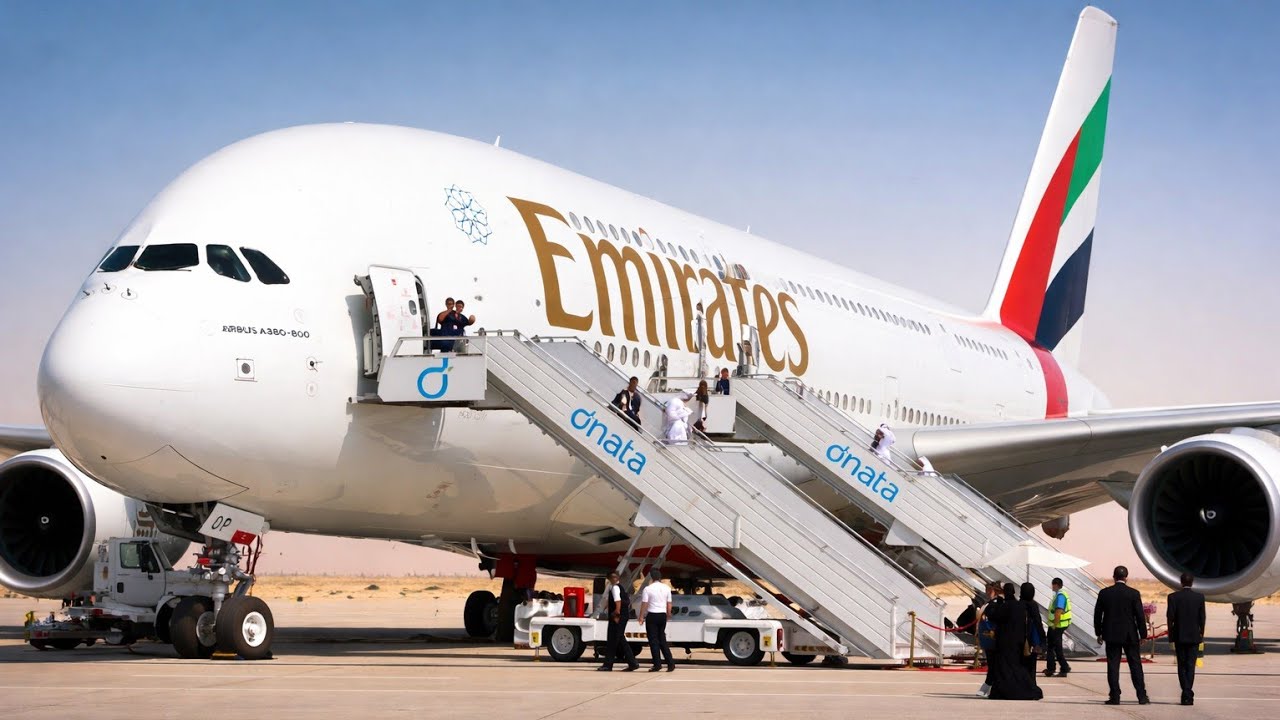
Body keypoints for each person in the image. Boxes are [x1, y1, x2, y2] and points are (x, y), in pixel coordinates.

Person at [1094, 565, 1149, 705]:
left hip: (1111, 635)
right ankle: (1141, 696)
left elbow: (1097, 615)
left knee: (1113, 666)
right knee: (1135, 665)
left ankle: (1115, 696)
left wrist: (1098, 632)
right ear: (1126, 578)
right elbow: (1140, 616)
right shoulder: (1134, 593)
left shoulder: (1104, 593)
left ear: (1114, 577)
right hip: (1129, 635)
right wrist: (1143, 634)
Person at [985, 582, 1043, 700]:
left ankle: (1005, 691)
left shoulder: (1008, 606)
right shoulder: (1026, 606)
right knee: (1022, 669)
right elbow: (1037, 625)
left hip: (1005, 643)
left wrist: (992, 601)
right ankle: (1028, 688)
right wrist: (1041, 642)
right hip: (1022, 643)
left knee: (1005, 669)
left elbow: (992, 615)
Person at [1167, 572, 1206, 706]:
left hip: (1179, 636)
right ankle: (1188, 694)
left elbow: (1170, 618)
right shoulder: (1199, 597)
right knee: (1191, 666)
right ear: (1192, 582)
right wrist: (1201, 634)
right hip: (1194, 637)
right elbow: (1202, 619)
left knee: (1181, 665)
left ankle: (1186, 692)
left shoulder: (1173, 597)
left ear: (1181, 582)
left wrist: (1171, 636)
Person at [597, 571, 640, 672]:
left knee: (613, 639)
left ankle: (609, 665)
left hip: (617, 616)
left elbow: (617, 601)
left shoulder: (615, 588)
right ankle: (632, 663)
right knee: (619, 639)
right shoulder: (620, 587)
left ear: (609, 579)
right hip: (622, 616)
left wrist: (616, 613)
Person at [638, 569, 675, 672]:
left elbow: (644, 603)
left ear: (651, 577)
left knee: (653, 641)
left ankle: (657, 664)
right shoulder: (667, 588)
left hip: (652, 615)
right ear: (660, 577)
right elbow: (669, 603)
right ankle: (670, 663)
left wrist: (641, 616)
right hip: (662, 615)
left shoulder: (648, 589)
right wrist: (668, 614)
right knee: (662, 639)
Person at [976, 582, 1002, 697]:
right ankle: (988, 686)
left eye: (990, 590)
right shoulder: (988, 604)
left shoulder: (996, 604)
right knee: (992, 664)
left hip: (994, 638)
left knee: (994, 664)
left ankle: (987, 686)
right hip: (988, 638)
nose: (987, 592)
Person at [1043, 577, 1072, 678]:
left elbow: (1058, 611)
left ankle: (1055, 668)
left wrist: (1054, 625)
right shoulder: (1061, 594)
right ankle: (1062, 667)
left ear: (1056, 585)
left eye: (1052, 584)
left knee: (1052, 647)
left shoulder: (1060, 596)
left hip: (1058, 625)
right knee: (1055, 646)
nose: (1052, 586)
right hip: (1059, 625)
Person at [1020, 583, 1045, 690]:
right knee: (1031, 664)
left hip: (1020, 638)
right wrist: (1043, 640)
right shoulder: (1033, 605)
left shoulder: (1019, 604)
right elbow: (1038, 623)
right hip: (1031, 639)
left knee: (1020, 663)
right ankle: (1031, 685)